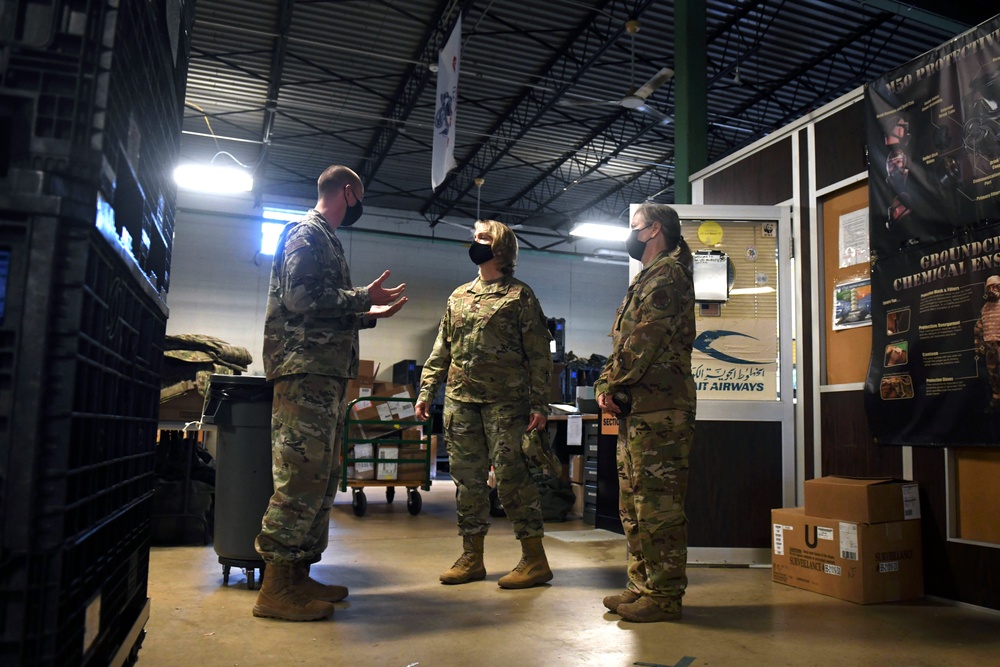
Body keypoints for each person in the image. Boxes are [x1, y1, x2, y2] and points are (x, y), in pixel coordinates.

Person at [254, 165, 408, 621]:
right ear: (348, 191)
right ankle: (276, 588)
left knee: (320, 480)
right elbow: (301, 298)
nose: (360, 204)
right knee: (299, 478)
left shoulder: (325, 237)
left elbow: (321, 308)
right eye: (359, 196)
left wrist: (368, 312)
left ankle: (297, 575)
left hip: (324, 377)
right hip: (304, 376)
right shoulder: (306, 232)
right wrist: (362, 298)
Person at [414, 219, 554, 589]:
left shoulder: (519, 296)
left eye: (483, 238)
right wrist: (427, 389)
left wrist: (540, 404)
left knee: (512, 480)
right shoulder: (458, 296)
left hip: (506, 404)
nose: (475, 243)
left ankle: (534, 558)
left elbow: (539, 355)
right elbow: (442, 348)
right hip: (461, 402)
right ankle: (472, 557)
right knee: (467, 482)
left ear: (502, 247)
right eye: (474, 238)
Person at [594, 203, 697, 623]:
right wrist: (608, 383)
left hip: (662, 410)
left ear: (654, 230)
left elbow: (642, 343)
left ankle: (665, 594)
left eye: (635, 227)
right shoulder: (647, 278)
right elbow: (623, 344)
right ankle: (642, 586)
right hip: (640, 408)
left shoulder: (668, 274)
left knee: (658, 506)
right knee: (634, 504)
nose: (630, 234)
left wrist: (611, 382)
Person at [974, 274, 1000, 412]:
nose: (992, 289)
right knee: (993, 373)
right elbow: (978, 327)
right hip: (990, 346)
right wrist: (978, 345)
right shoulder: (985, 308)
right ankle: (996, 396)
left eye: (995, 286)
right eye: (989, 287)